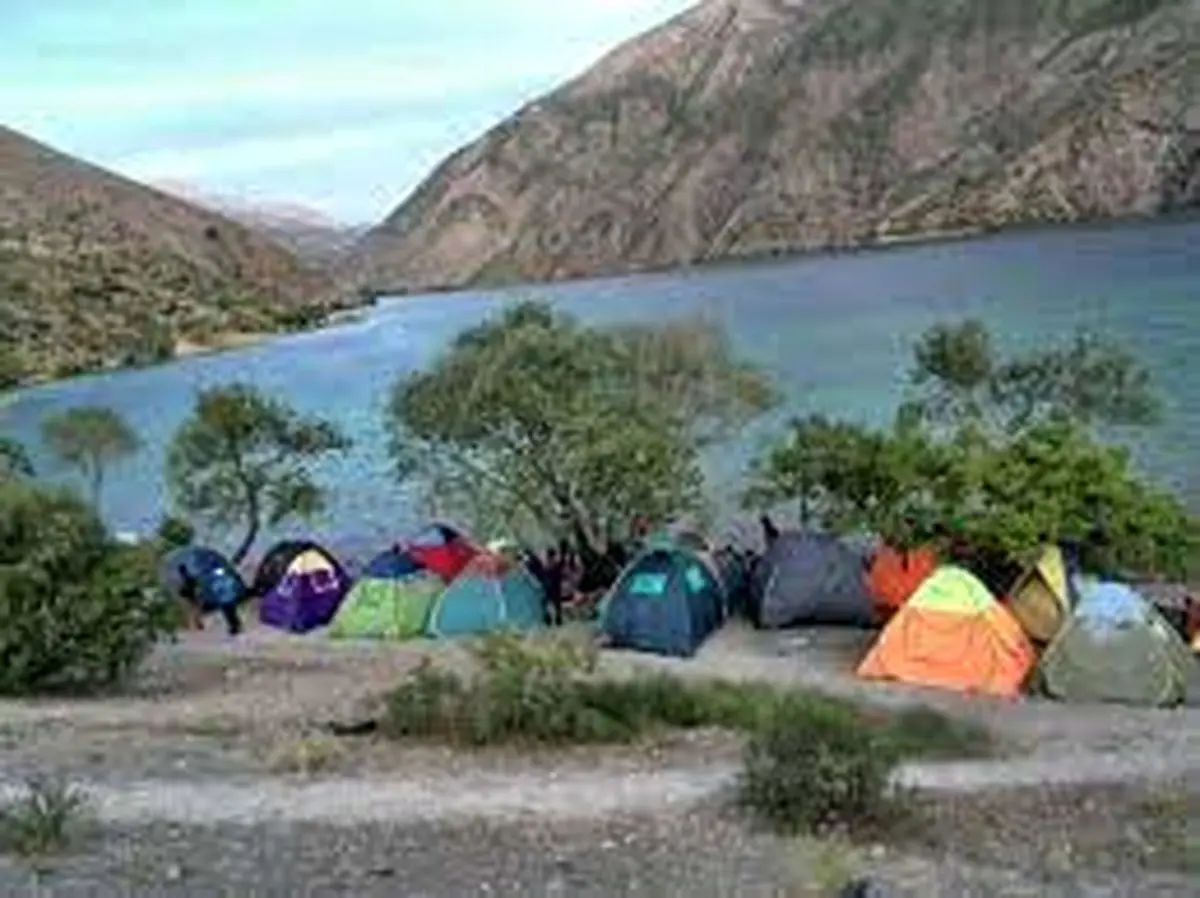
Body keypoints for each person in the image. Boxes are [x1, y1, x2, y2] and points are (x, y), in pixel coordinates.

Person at [543, 546, 565, 626]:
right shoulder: (554, 564)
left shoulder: (546, 565)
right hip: (555, 587)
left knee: (547, 604)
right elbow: (560, 568)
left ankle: (548, 619)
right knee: (557, 605)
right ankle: (557, 619)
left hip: (549, 587)